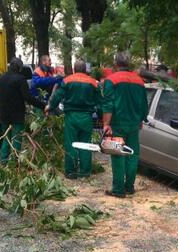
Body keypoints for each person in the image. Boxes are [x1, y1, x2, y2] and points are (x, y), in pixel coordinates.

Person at [102, 51, 148, 198]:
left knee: (118, 155)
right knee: (132, 154)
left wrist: (106, 124)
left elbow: (108, 104)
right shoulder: (139, 81)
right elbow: (143, 104)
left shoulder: (111, 80)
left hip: (117, 123)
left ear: (116, 64)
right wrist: (141, 119)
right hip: (134, 124)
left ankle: (118, 189)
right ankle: (129, 187)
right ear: (129, 64)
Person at [45, 59, 101, 179]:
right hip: (87, 117)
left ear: (74, 69)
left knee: (71, 144)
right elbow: (100, 102)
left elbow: (57, 96)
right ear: (85, 70)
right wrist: (102, 117)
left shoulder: (67, 80)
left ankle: (71, 172)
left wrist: (50, 107)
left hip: (71, 117)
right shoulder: (93, 83)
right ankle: (85, 172)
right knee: (85, 144)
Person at [0, 58, 46, 163]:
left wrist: (5, 100)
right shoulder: (20, 79)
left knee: (6, 137)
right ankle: (14, 160)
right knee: (16, 138)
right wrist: (42, 106)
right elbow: (27, 97)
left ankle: (4, 160)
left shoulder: (2, 77)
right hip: (17, 114)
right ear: (19, 68)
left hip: (4, 113)